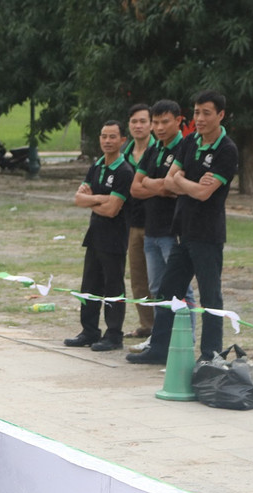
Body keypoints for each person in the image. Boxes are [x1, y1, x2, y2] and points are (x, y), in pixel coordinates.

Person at [127, 90, 238, 365]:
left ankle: (209, 355)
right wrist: (189, 183)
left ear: (221, 115)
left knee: (210, 296)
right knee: (167, 291)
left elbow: (203, 194)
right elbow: (168, 180)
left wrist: (185, 183)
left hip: (207, 234)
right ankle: (160, 348)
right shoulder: (190, 142)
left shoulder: (227, 149)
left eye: (206, 113)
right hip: (182, 231)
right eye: (197, 112)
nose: (199, 119)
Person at [129, 99, 197, 353]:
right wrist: (157, 186)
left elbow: (175, 186)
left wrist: (153, 184)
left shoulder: (185, 146)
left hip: (173, 231)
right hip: (151, 230)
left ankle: (186, 342)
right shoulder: (154, 149)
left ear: (179, 120)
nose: (158, 127)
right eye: (155, 122)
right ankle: (160, 339)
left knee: (181, 289)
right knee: (157, 288)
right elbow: (136, 187)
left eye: (164, 122)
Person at [63, 120, 134, 352]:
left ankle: (114, 334)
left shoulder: (124, 171)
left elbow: (113, 210)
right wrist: (101, 198)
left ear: (123, 140)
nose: (107, 141)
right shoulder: (96, 166)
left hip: (114, 237)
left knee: (113, 286)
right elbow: (78, 199)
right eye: (103, 136)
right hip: (95, 234)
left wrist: (93, 200)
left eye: (113, 136)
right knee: (89, 285)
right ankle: (90, 330)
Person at [121, 103, 155, 342]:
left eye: (143, 121)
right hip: (132, 223)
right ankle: (146, 324)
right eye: (134, 121)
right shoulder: (124, 155)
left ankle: (163, 328)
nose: (138, 125)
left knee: (158, 279)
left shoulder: (159, 151)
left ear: (151, 124)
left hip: (158, 224)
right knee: (138, 278)